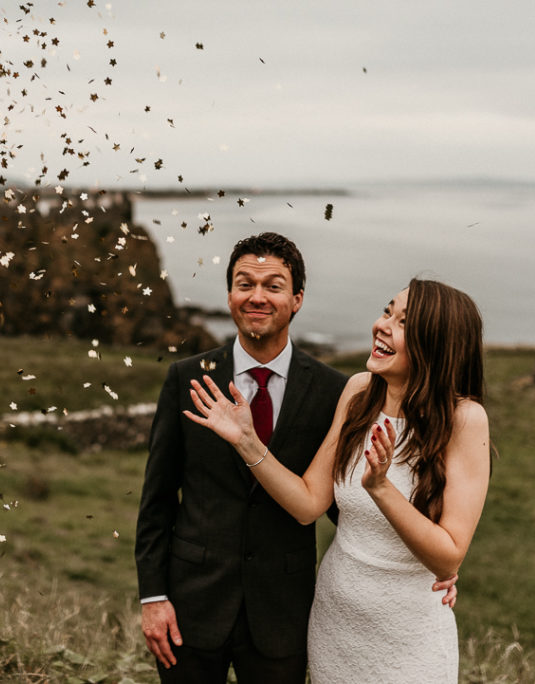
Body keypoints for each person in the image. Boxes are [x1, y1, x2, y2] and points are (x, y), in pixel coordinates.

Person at [134, 233, 456, 683]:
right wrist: (153, 596)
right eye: (244, 283)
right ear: (229, 295)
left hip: (284, 615)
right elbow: (157, 499)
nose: (257, 297)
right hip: (192, 605)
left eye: (273, 286)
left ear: (297, 298)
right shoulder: (186, 378)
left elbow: (334, 499)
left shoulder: (333, 389)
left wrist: (422, 562)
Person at [185, 278, 490, 682]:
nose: (382, 326)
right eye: (387, 311)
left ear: (435, 343)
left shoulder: (465, 420)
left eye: (403, 323)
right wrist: (246, 441)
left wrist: (382, 489)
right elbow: (309, 502)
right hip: (336, 624)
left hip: (409, 638)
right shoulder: (359, 392)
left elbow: (448, 556)